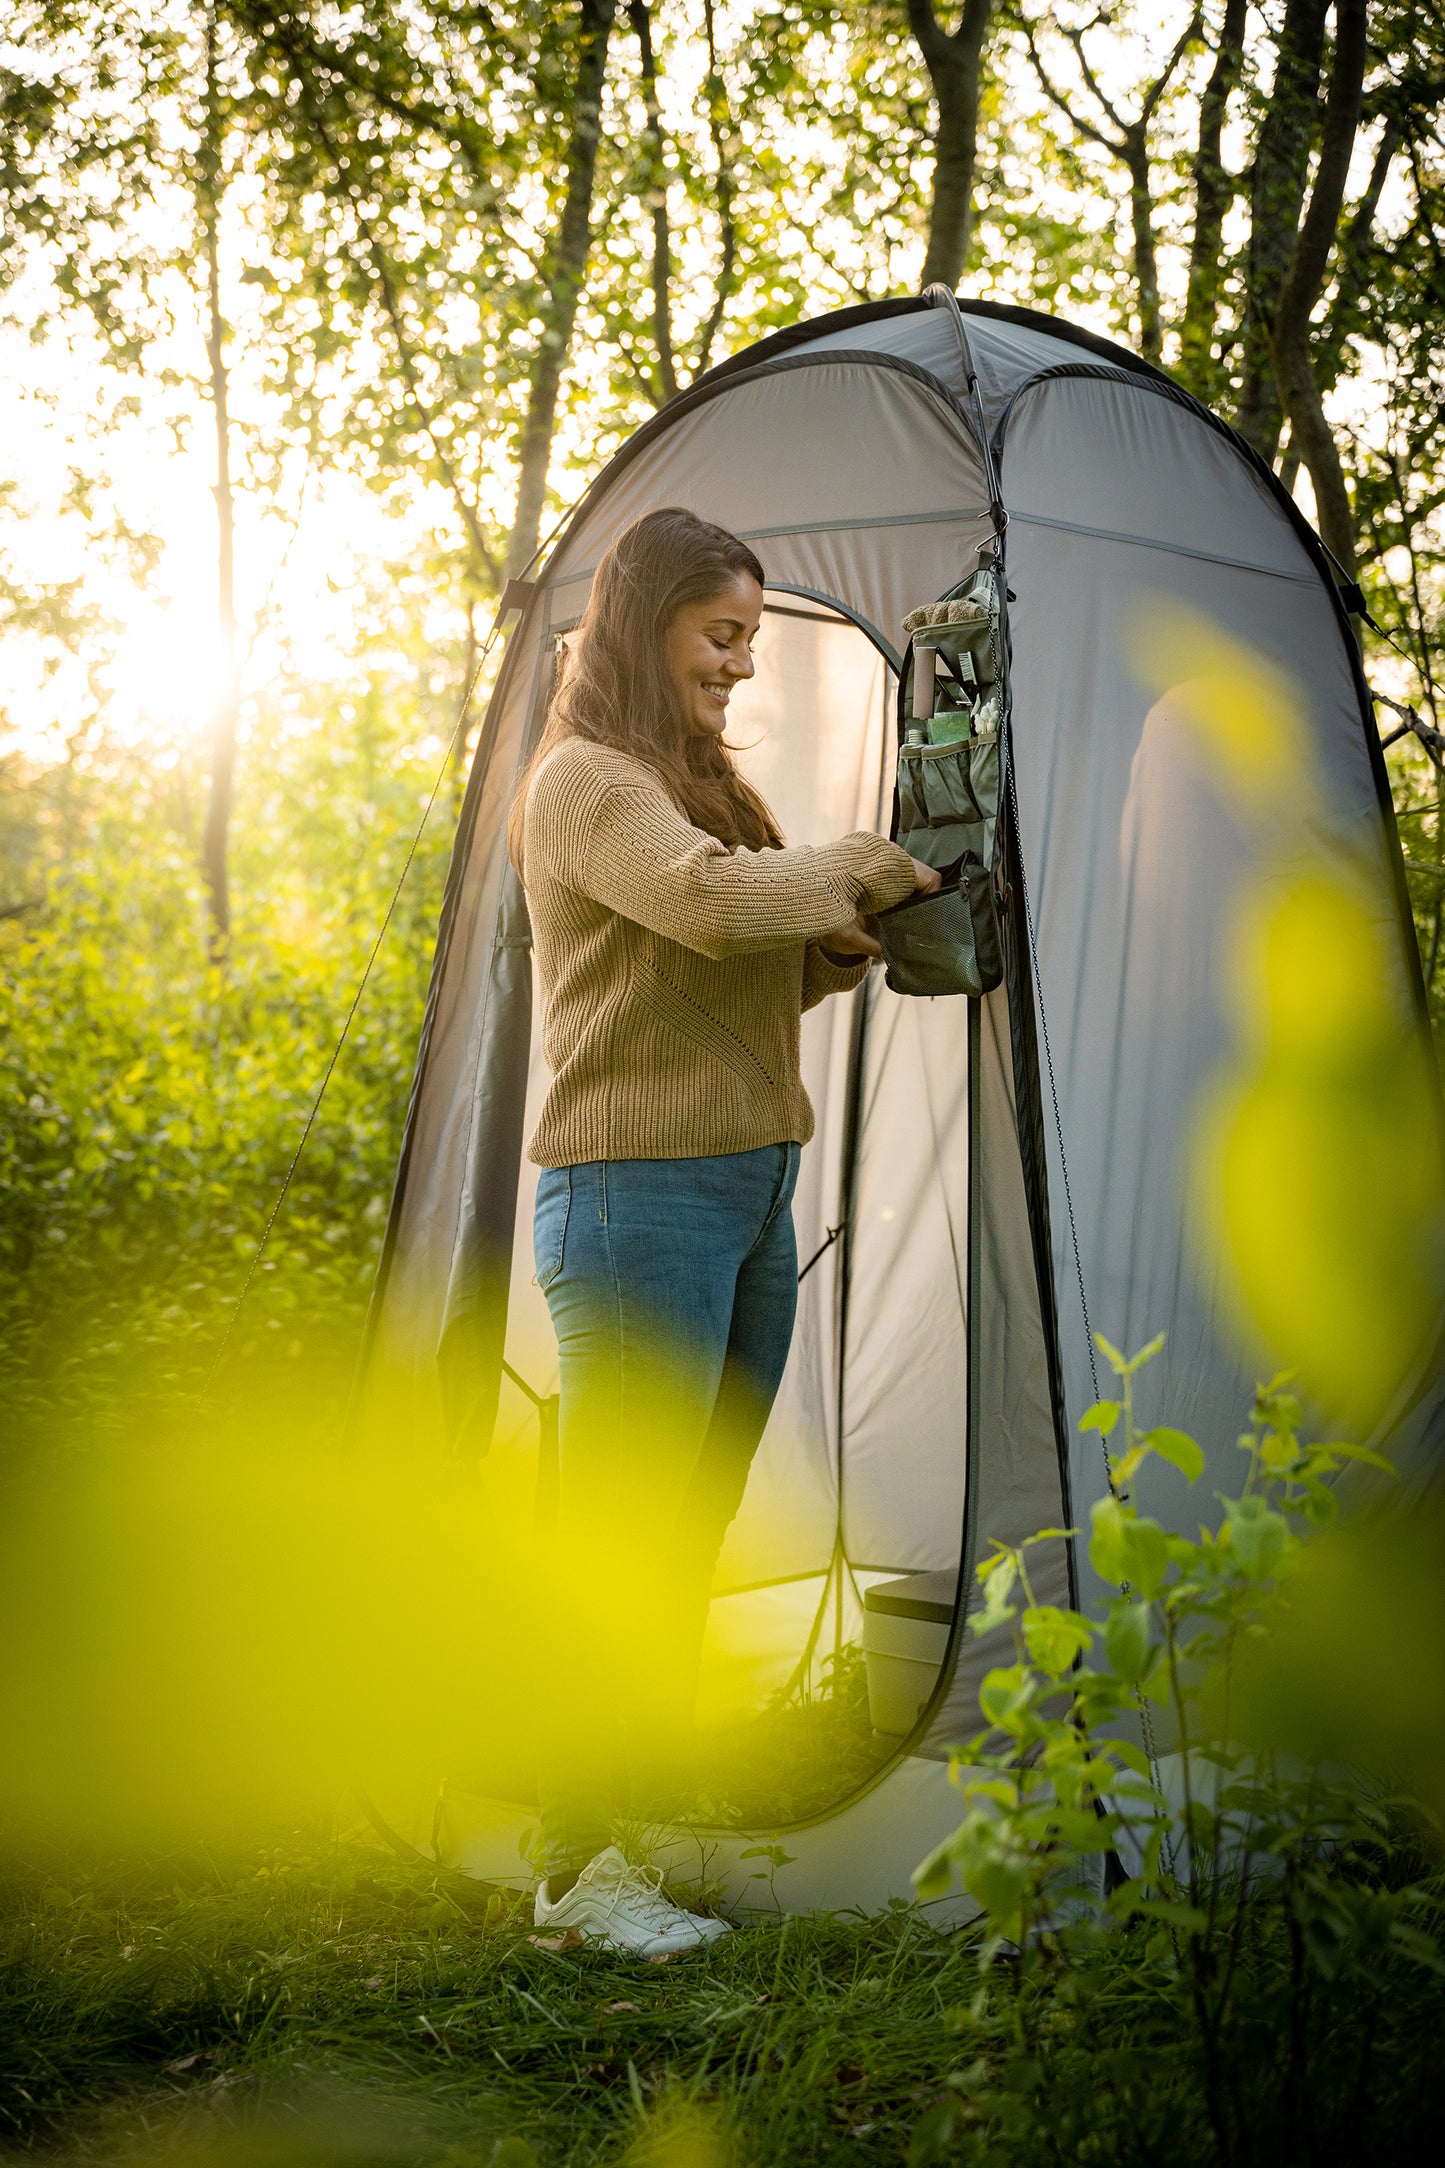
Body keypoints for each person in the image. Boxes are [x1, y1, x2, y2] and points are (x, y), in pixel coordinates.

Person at [510, 506, 938, 1955]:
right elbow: (703, 908)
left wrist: (830, 949)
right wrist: (858, 864)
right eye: (720, 635)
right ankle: (575, 1874)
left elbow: (736, 969)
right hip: (634, 1196)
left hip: (745, 1188)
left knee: (681, 1527)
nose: (741, 665)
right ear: (648, 626)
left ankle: (618, 1831)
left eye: (750, 640)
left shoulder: (699, 784)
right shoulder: (586, 781)